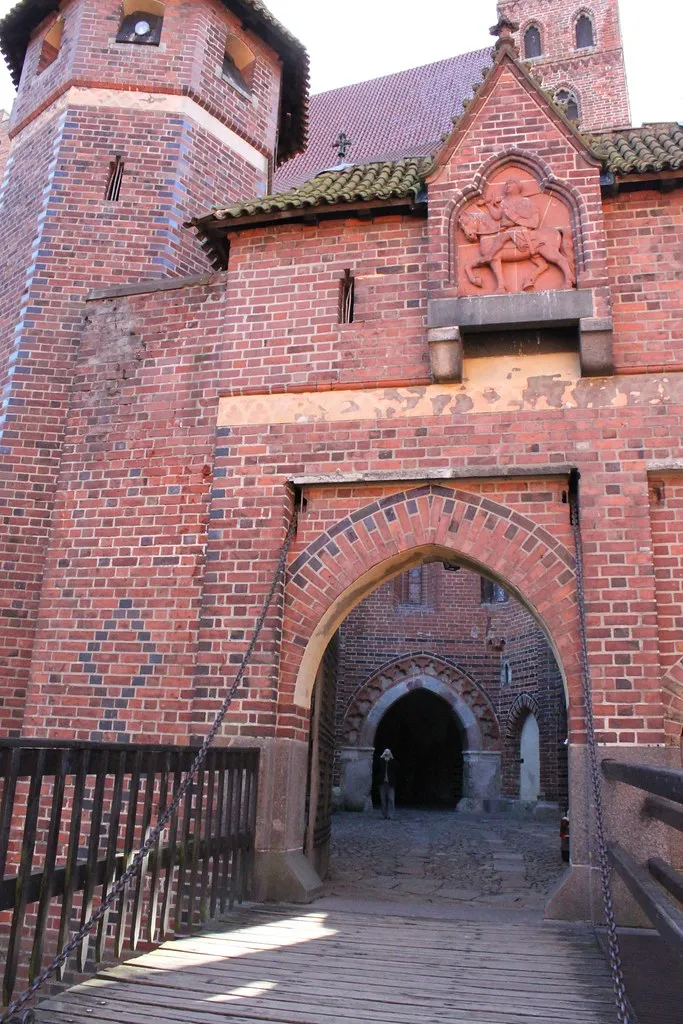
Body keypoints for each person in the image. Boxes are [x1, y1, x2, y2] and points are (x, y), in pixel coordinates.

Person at [378, 748, 397, 820]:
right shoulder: (381, 761)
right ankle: (384, 815)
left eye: (388, 753)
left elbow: (396, 768)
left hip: (390, 783)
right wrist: (382, 757)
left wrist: (391, 759)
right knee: (383, 800)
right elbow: (377, 767)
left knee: (391, 799)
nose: (387, 754)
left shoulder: (392, 761)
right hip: (382, 783)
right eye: (386, 753)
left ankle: (390, 815)